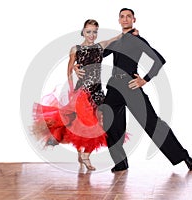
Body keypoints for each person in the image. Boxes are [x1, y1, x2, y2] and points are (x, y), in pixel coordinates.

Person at [75, 8, 192, 172]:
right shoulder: (116, 42)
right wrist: (76, 66)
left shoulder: (139, 40)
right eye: (122, 17)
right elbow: (94, 56)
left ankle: (183, 156)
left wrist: (144, 80)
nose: (125, 19)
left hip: (131, 86)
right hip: (114, 88)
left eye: (128, 16)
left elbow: (159, 60)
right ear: (119, 20)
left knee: (152, 123)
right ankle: (121, 162)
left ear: (134, 20)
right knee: (111, 124)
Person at [32, 19, 137, 170]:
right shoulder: (76, 49)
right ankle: (83, 155)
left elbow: (117, 38)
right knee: (81, 123)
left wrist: (132, 32)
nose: (92, 35)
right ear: (83, 32)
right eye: (89, 32)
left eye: (95, 32)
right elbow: (68, 70)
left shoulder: (100, 46)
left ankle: (85, 155)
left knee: (100, 123)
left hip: (98, 91)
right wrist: (71, 89)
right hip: (82, 91)